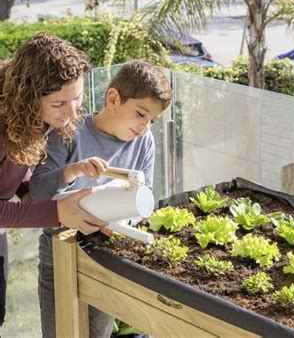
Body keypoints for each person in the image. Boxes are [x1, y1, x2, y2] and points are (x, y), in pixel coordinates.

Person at [30, 59, 173, 337]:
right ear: (113, 98)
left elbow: (145, 200)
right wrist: (74, 169)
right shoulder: (69, 132)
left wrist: (124, 220)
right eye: (141, 114)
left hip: (107, 263)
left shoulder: (144, 143)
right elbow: (38, 191)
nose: (145, 126)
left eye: (152, 120)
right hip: (59, 260)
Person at [0, 33, 108, 326]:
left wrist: (28, 193)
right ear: (27, 96)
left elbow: (14, 164)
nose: (72, 112)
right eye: (59, 103)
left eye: (77, 97)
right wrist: (56, 211)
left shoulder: (27, 113)